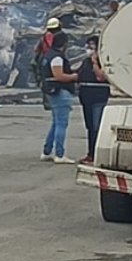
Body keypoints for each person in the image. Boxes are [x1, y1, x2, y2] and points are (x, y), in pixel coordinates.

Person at [40, 32, 77, 164]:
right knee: (62, 123)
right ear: (64, 44)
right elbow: (59, 75)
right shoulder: (57, 57)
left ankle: (47, 151)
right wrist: (74, 77)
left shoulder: (48, 55)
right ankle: (60, 154)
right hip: (60, 92)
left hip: (52, 92)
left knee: (56, 123)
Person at [76, 35, 110, 164]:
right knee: (90, 127)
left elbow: (101, 77)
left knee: (96, 127)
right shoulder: (85, 61)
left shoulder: (103, 61)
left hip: (98, 98)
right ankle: (90, 153)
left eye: (92, 47)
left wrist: (95, 62)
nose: (89, 49)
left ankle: (97, 154)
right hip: (86, 98)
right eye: (87, 47)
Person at [31, 18, 63, 109]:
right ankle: (49, 102)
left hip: (45, 59)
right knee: (48, 80)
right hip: (48, 59)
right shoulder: (50, 36)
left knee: (46, 80)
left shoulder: (45, 35)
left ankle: (49, 102)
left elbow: (36, 49)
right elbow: (50, 47)